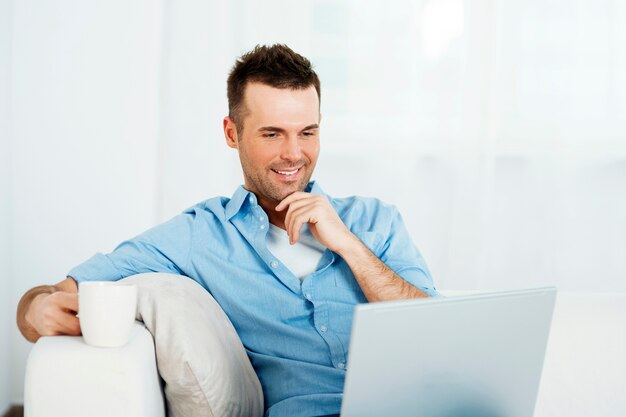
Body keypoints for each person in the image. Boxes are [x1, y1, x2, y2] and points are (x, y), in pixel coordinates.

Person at [16, 44, 437, 417]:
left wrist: (348, 245)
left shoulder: (375, 221)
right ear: (232, 133)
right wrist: (36, 308)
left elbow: (432, 332)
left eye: (307, 132)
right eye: (272, 134)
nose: (294, 154)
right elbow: (46, 298)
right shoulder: (198, 237)